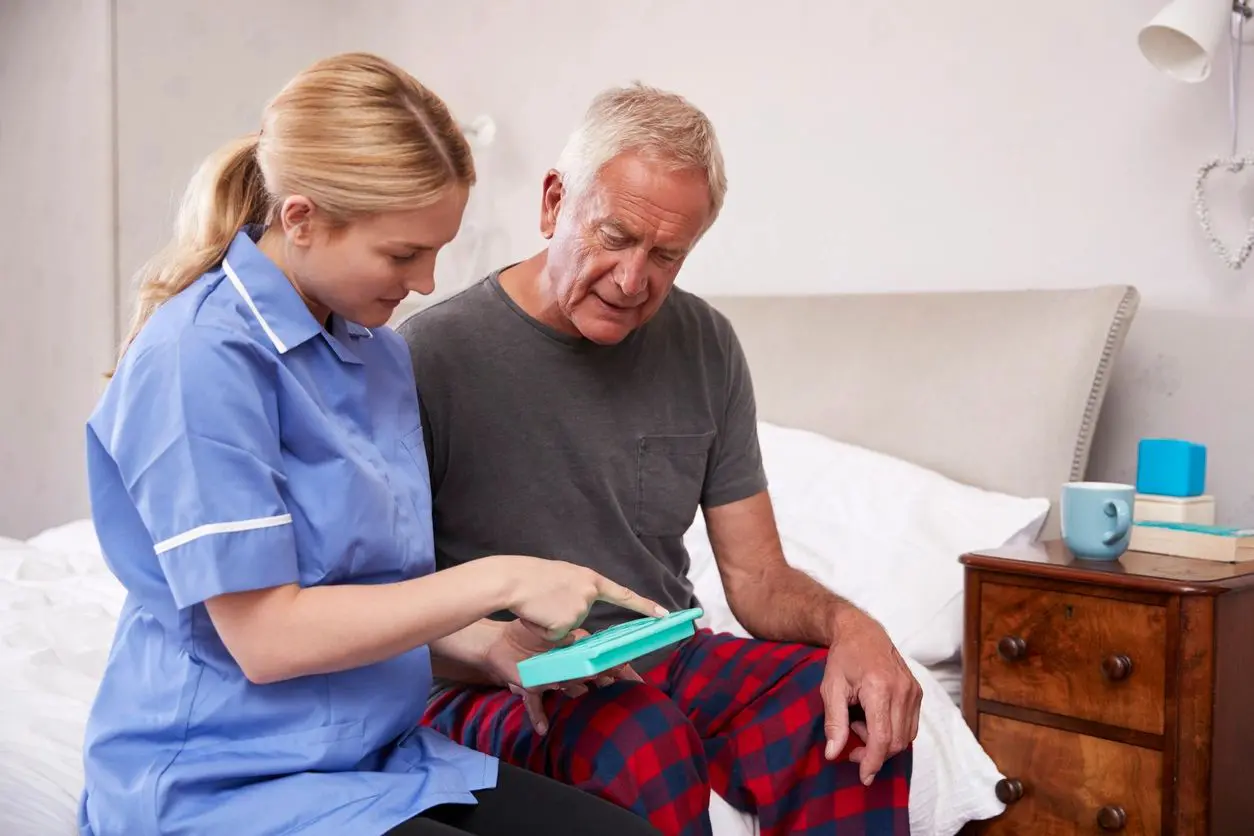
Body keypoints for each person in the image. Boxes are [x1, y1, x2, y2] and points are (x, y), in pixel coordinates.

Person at [77, 52, 668, 836]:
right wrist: (506, 577)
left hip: (373, 760)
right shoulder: (200, 358)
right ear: (301, 219)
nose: (425, 282)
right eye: (401, 254)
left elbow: (358, 590)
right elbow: (266, 640)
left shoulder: (376, 352)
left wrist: (491, 644)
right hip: (221, 784)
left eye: (435, 251)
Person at [397, 83, 923, 836]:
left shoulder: (707, 346)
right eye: (614, 236)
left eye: (666, 255)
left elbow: (757, 579)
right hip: (498, 678)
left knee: (844, 707)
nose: (633, 279)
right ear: (553, 203)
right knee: (639, 735)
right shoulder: (428, 356)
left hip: (660, 653)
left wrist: (851, 627)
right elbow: (385, 599)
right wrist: (497, 652)